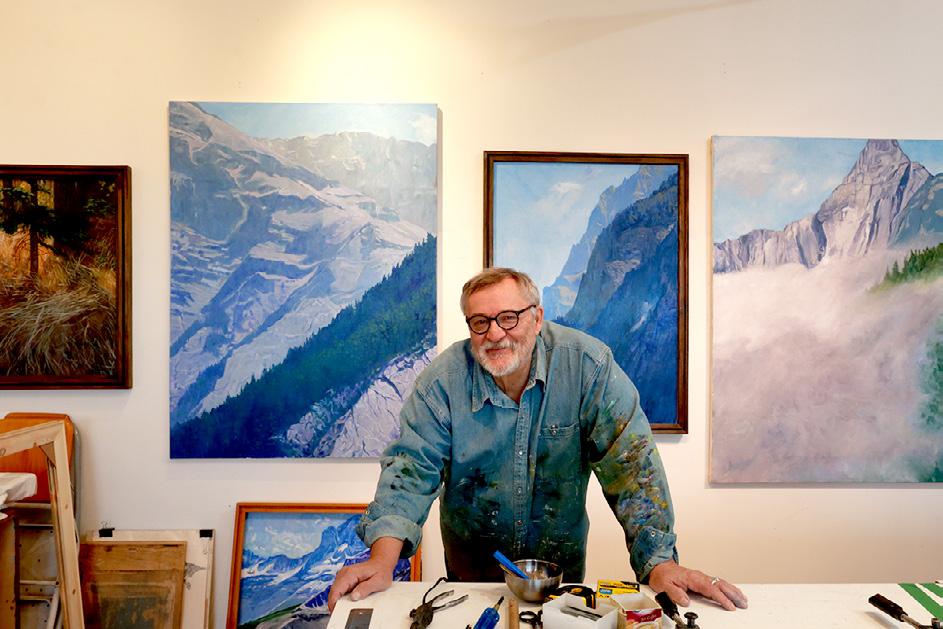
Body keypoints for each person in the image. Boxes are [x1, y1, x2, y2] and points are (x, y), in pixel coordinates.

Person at [328, 268, 747, 612]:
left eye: (509, 317)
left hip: (561, 586)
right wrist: (382, 560)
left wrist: (659, 563)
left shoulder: (588, 367)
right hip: (470, 585)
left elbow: (633, 469)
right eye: (480, 322)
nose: (495, 333)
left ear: (537, 317)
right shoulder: (442, 382)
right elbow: (410, 471)